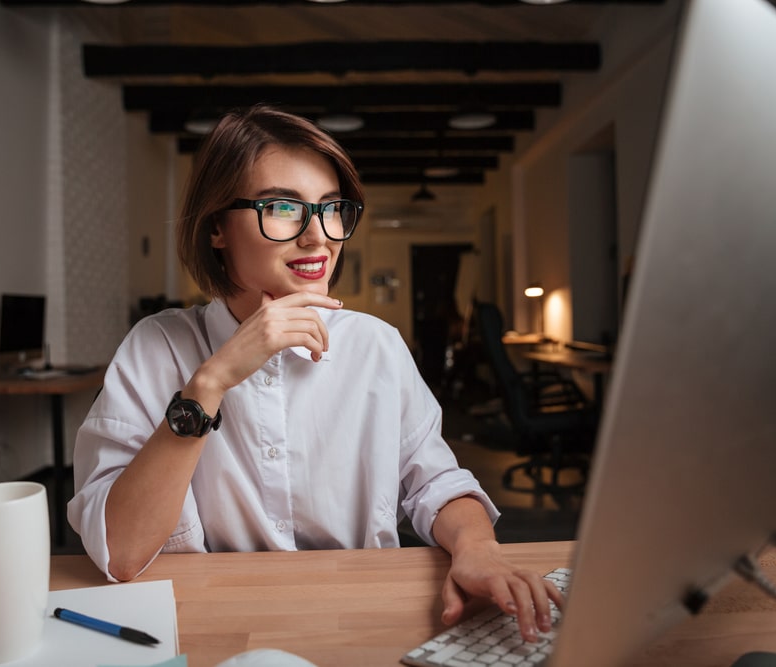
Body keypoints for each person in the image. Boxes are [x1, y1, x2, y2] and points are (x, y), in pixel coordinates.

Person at [68, 105, 561, 642]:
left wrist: (478, 549)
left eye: (331, 209)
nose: (318, 237)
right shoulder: (155, 346)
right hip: (209, 626)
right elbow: (120, 553)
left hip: (359, 618)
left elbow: (436, 482)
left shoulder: (376, 346)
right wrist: (209, 385)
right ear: (216, 227)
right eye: (283, 207)